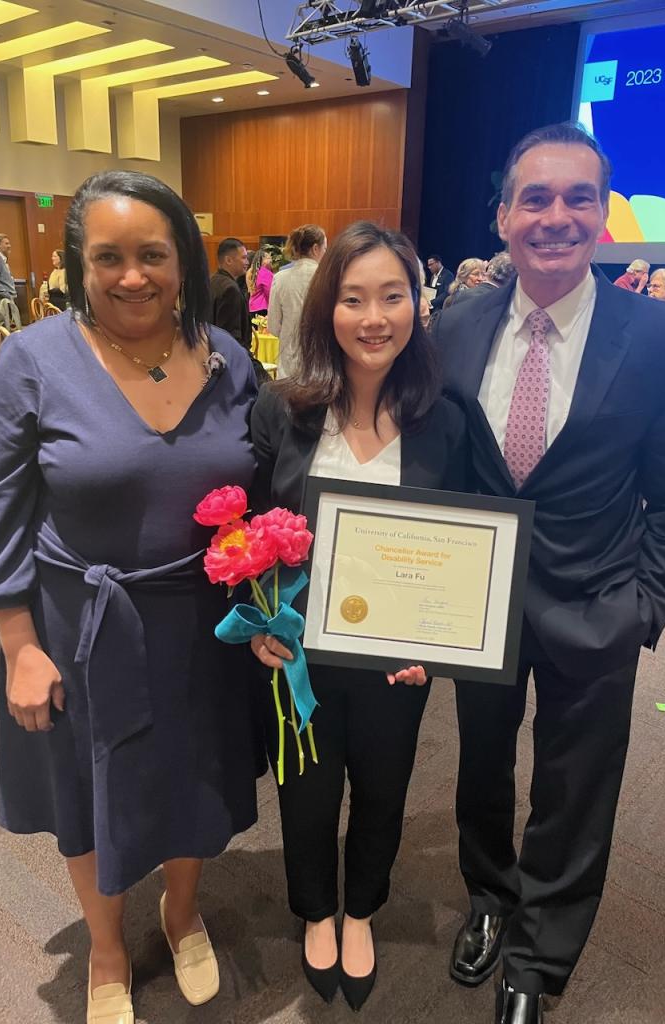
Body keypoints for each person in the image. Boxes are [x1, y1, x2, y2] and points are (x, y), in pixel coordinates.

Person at [0, 170, 261, 1022]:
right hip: (77, 624)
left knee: (193, 776)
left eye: (153, 255)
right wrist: (17, 646)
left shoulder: (226, 357)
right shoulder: (34, 358)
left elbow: (256, 491)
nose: (134, 275)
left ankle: (180, 911)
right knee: (89, 788)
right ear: (77, 265)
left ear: (185, 261)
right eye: (109, 257)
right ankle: (103, 947)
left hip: (203, 621)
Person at [435, 123, 665, 1024]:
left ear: (603, 216)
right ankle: (489, 893)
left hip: (598, 602)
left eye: (577, 198)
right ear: (504, 214)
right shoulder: (455, 327)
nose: (556, 216)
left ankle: (539, 954)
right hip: (477, 603)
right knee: (480, 764)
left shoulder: (661, 339)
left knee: (576, 784)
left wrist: (645, 604)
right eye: (536, 198)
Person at [250, 221, 469, 1011]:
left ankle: (363, 907)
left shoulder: (446, 419)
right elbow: (246, 529)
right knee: (305, 789)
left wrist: (441, 646)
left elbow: (467, 546)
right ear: (325, 309)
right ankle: (315, 908)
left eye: (392, 296)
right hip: (300, 651)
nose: (373, 317)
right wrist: (260, 623)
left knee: (384, 785)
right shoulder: (285, 411)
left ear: (417, 304)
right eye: (352, 298)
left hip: (395, 657)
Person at [267, 223, 327, 377]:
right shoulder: (328, 278)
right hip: (321, 363)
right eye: (325, 249)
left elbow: (273, 326)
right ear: (315, 249)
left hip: (289, 365)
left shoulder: (280, 278)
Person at [209, 236, 251, 350]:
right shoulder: (230, 289)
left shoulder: (211, 281)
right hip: (229, 355)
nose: (247, 262)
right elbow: (231, 336)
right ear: (228, 260)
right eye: (244, 258)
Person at [449, 251, 515, 308]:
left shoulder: (489, 296)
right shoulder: (452, 299)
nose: (481, 278)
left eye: (483, 274)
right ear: (463, 276)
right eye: (475, 274)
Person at [247, 247, 274, 318]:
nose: (271, 260)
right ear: (262, 260)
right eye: (268, 258)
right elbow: (270, 292)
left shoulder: (252, 272)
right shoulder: (265, 273)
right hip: (262, 307)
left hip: (253, 307)